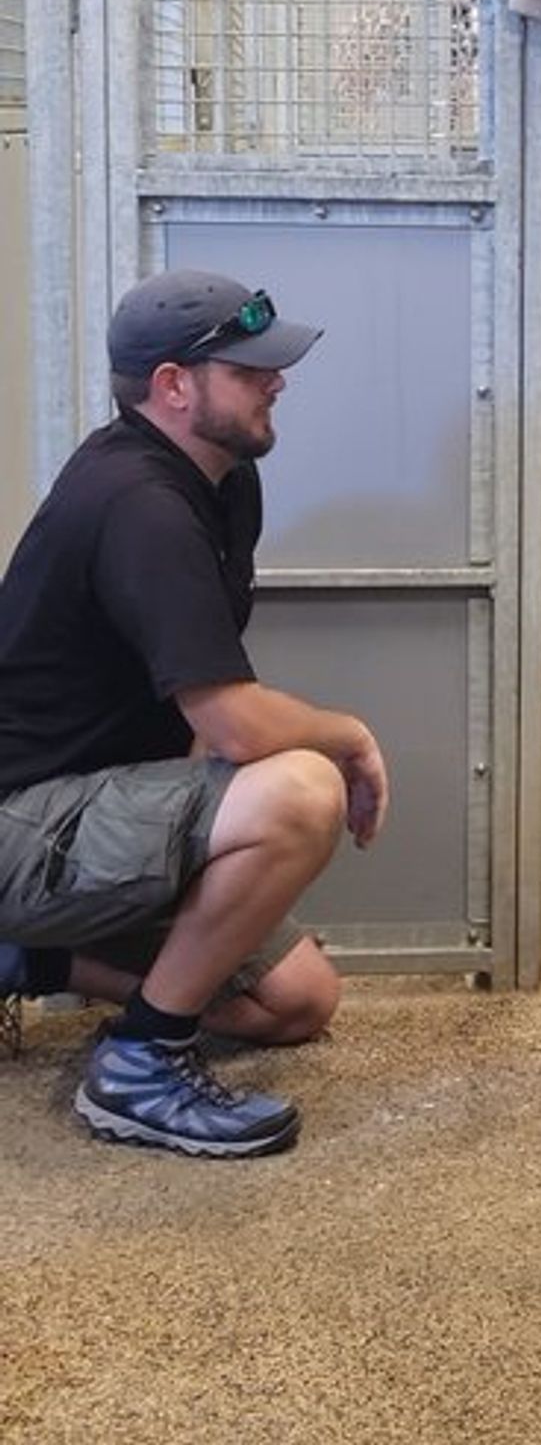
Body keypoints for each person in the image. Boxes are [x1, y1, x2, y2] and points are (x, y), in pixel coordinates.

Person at [0, 269, 390, 1158]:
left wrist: (190, 851)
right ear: (175, 386)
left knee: (297, 1004)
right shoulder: (138, 504)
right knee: (300, 791)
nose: (276, 380)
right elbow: (236, 728)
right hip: (21, 823)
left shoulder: (218, 481)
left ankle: (27, 960)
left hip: (90, 807)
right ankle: (139, 1066)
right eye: (250, 368)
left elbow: (187, 710)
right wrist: (352, 738)